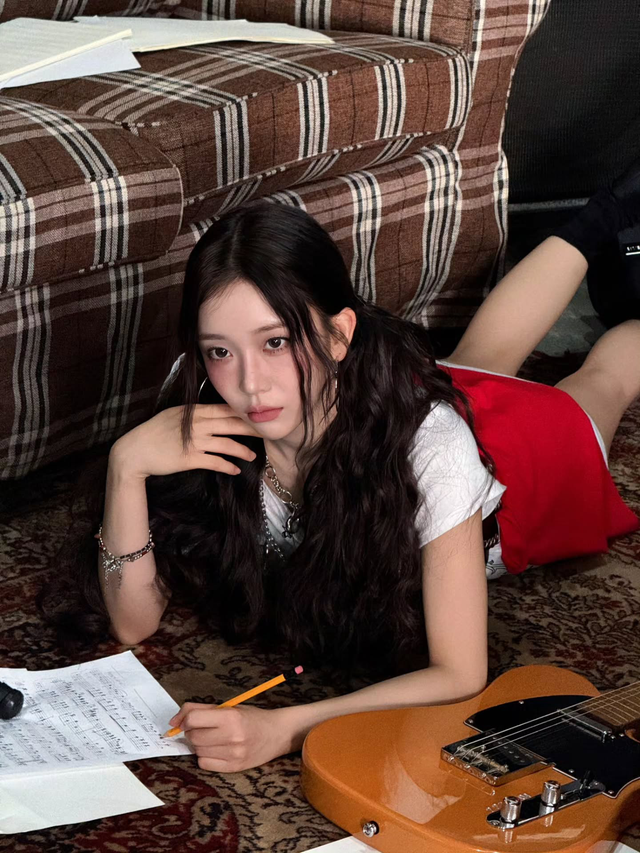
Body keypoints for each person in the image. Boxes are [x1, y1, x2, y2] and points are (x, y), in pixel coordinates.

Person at [42, 166, 640, 775]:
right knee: (475, 360)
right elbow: (133, 622)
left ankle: (612, 240)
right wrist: (126, 468)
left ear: (338, 335)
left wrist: (286, 727)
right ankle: (607, 212)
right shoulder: (201, 395)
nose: (249, 383)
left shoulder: (434, 449)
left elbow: (460, 674)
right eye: (220, 350)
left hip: (515, 470)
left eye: (276, 342)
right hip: (387, 404)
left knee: (601, 384)